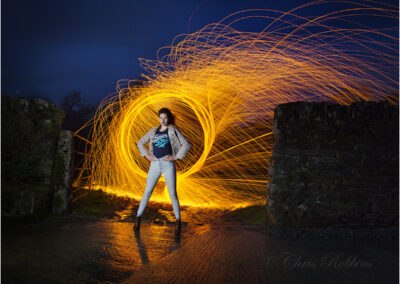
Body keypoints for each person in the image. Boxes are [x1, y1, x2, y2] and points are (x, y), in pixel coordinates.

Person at [133, 108, 191, 235]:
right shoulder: (154, 131)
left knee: (173, 194)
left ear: (168, 118)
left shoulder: (173, 130)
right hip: (155, 164)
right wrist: (147, 156)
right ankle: (137, 218)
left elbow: (186, 144)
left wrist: (176, 157)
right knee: (147, 192)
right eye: (161, 118)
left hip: (168, 164)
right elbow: (140, 143)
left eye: (165, 118)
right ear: (158, 118)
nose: (163, 120)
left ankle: (178, 222)